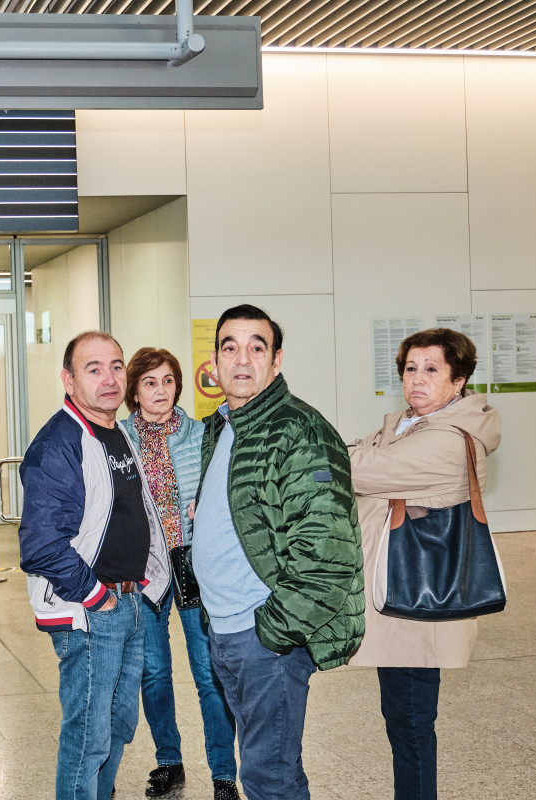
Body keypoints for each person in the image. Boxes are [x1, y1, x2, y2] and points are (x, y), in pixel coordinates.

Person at [190, 304, 364, 800]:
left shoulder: (299, 430)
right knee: (276, 770)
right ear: (215, 361)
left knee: (267, 777)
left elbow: (329, 557)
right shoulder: (223, 426)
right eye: (230, 346)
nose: (242, 359)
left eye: (256, 347)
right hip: (225, 630)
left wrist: (272, 631)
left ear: (277, 360)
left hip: (263, 638)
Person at [347, 328, 501, 800]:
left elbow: (352, 467)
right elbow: (354, 456)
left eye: (432, 369)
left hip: (417, 606)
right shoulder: (404, 425)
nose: (417, 379)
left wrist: (368, 458)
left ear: (458, 381)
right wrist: (369, 456)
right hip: (393, 597)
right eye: (410, 368)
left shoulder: (454, 439)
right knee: (401, 724)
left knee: (412, 729)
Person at [19, 330, 172, 800]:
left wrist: (144, 582)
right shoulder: (58, 444)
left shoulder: (116, 431)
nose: (110, 379)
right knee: (88, 737)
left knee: (120, 724)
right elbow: (40, 544)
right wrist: (97, 596)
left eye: (117, 366)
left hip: (130, 601)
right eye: (94, 369)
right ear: (68, 380)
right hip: (91, 611)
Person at [121, 347, 240, 800]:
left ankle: (224, 774)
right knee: (153, 673)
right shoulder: (120, 439)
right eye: (150, 382)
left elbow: (224, 485)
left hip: (192, 563)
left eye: (168, 380)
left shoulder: (200, 434)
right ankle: (168, 762)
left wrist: (205, 505)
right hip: (143, 569)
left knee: (208, 672)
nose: (161, 390)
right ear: (135, 390)